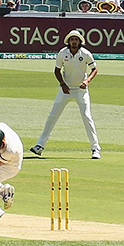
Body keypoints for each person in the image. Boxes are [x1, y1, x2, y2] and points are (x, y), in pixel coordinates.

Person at [30, 29, 101, 159]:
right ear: (69, 41)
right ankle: (40, 146)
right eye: (72, 39)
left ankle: (95, 149)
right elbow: (57, 70)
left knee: (87, 117)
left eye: (76, 40)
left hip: (81, 90)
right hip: (65, 90)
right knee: (52, 116)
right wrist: (62, 84)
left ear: (80, 41)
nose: (74, 42)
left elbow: (94, 69)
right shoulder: (63, 53)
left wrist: (87, 81)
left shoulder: (85, 53)